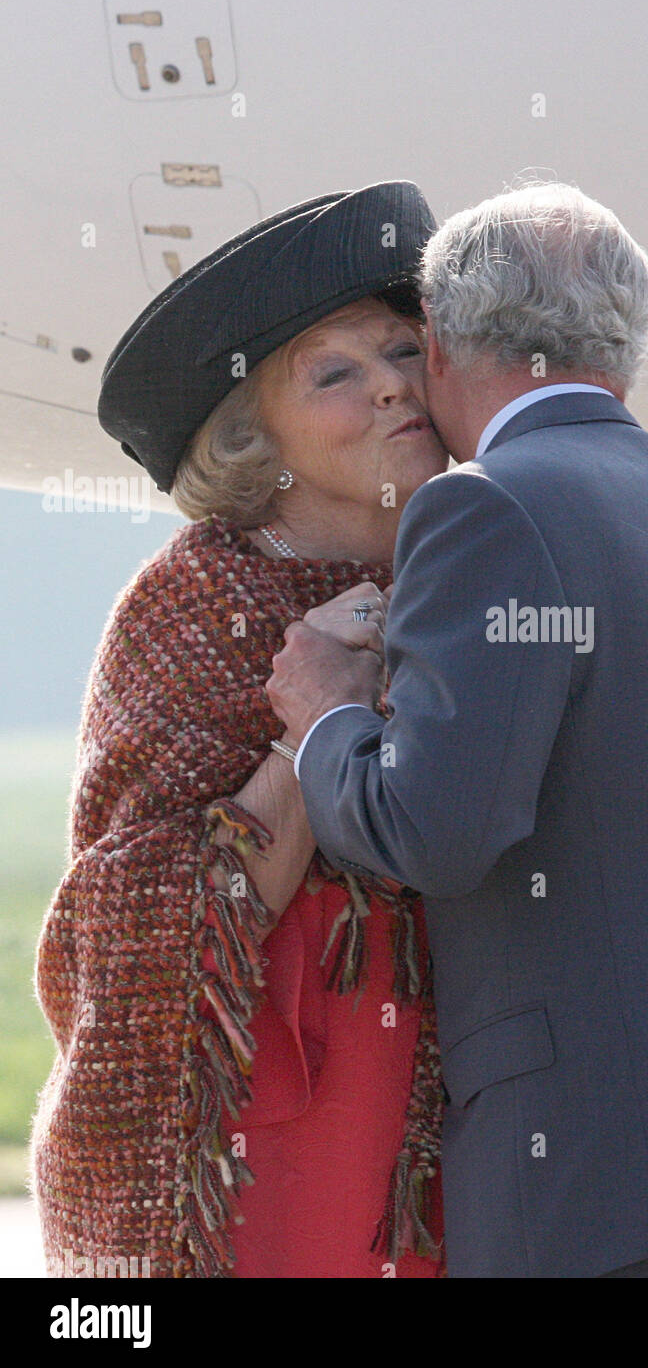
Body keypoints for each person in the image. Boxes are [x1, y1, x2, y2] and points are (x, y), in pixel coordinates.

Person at [266, 181, 648, 1278]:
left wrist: (328, 718)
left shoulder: (486, 507)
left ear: (449, 342)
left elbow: (434, 829)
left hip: (599, 1180)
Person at [32, 182, 449, 1278]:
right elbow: (135, 916)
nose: (395, 386)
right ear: (251, 436)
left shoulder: (480, 569)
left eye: (404, 348)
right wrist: (326, 716)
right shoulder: (188, 611)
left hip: (470, 1129)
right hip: (271, 1149)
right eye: (336, 374)